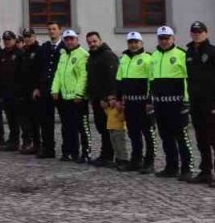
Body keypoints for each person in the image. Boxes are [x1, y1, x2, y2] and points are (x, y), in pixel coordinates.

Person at [186, 21, 215, 188]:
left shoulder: (214, 52)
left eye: (200, 32)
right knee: (201, 139)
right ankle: (205, 172)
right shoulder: (189, 52)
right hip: (196, 102)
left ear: (206, 33)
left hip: (211, 103)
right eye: (194, 32)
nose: (197, 34)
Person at [151, 26, 192, 180]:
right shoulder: (154, 56)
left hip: (177, 104)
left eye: (167, 38)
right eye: (161, 38)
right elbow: (151, 79)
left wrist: (186, 101)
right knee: (166, 136)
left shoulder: (181, 54)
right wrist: (151, 99)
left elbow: (188, 80)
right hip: (160, 104)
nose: (164, 41)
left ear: (173, 38)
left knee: (181, 137)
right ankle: (171, 167)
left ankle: (187, 168)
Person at [115, 31, 155, 173]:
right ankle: (136, 160)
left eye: (136, 42)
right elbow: (119, 80)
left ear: (141, 43)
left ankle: (149, 162)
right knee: (133, 133)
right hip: (130, 103)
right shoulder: (124, 58)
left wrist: (150, 100)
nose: (133, 45)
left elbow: (152, 81)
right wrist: (118, 99)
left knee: (148, 133)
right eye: (131, 42)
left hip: (143, 103)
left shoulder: (148, 58)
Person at [51, 29, 91, 163]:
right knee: (67, 127)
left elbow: (83, 77)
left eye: (71, 39)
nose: (69, 42)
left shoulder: (82, 55)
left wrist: (79, 93)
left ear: (77, 40)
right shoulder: (63, 55)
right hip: (65, 97)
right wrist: (54, 90)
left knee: (82, 127)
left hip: (78, 98)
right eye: (66, 39)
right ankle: (70, 152)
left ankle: (86, 153)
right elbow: (58, 74)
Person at [85, 31, 119, 166]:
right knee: (101, 128)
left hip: (106, 100)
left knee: (108, 129)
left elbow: (112, 78)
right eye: (90, 42)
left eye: (94, 41)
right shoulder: (92, 57)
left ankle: (109, 156)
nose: (92, 44)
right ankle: (105, 154)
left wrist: (108, 97)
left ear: (100, 40)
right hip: (96, 98)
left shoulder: (108, 56)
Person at [34, 22, 63, 159]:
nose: (52, 31)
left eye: (54, 29)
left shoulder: (65, 47)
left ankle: (69, 149)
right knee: (45, 120)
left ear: (60, 30)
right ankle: (48, 148)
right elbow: (38, 68)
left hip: (60, 89)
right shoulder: (44, 48)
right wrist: (37, 87)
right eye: (49, 29)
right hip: (45, 88)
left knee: (66, 120)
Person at [16, 30, 42, 154]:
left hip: (35, 91)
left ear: (34, 37)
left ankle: (39, 144)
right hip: (25, 91)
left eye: (29, 36)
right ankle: (33, 144)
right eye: (25, 37)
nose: (27, 39)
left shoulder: (39, 51)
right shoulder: (24, 52)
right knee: (28, 119)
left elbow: (40, 71)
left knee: (37, 119)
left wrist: (38, 87)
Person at [0, 31, 22, 151]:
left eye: (9, 39)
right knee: (10, 117)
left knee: (18, 118)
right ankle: (12, 139)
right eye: (5, 39)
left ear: (14, 40)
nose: (6, 41)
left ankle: (19, 140)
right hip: (5, 91)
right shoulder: (1, 54)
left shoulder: (19, 53)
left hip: (16, 91)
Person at [105, 94, 130, 171]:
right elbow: (108, 114)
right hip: (111, 130)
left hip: (119, 130)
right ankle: (118, 160)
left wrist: (119, 110)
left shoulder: (119, 109)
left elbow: (123, 118)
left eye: (113, 99)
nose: (111, 101)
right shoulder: (110, 109)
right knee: (115, 146)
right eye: (109, 100)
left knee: (121, 146)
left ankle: (124, 160)